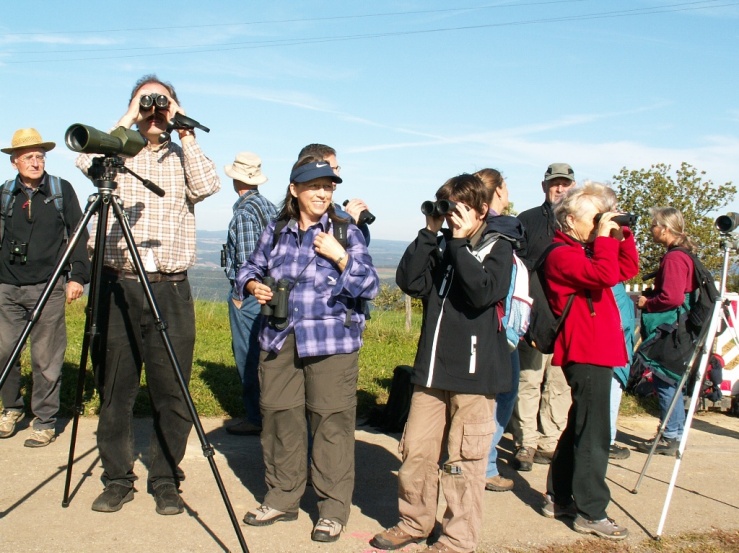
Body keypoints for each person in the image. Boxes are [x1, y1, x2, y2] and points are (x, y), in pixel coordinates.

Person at [75, 74, 220, 514]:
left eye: (163, 102)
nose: (154, 109)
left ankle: (165, 479)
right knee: (115, 387)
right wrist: (129, 117)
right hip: (118, 285)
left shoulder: (182, 156)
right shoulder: (115, 154)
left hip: (170, 289)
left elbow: (209, 184)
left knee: (171, 391)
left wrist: (184, 130)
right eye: (146, 102)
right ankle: (117, 477)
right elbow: (84, 160)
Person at [238, 157, 379, 543]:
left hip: (332, 342)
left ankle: (332, 509)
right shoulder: (277, 228)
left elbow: (370, 285)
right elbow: (248, 267)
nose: (322, 193)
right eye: (314, 185)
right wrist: (254, 287)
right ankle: (282, 497)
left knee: (331, 422)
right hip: (280, 337)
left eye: (329, 186)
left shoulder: (345, 230)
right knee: (279, 417)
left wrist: (340, 255)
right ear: (294, 189)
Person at [372, 173, 512, 553]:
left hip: (473, 375)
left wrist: (462, 244)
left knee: (463, 462)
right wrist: (430, 231)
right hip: (431, 372)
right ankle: (414, 522)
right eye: (447, 207)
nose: (452, 216)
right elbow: (410, 281)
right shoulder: (443, 243)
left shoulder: (499, 247)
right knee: (416, 451)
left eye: (459, 208)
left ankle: (456, 539)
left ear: (482, 209)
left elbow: (483, 291)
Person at [539, 181, 638, 541]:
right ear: (569, 219)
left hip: (598, 349)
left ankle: (559, 497)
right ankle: (591, 511)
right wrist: (605, 239)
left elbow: (625, 269)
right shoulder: (560, 254)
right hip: (585, 351)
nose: (599, 223)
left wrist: (621, 234)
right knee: (595, 434)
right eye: (594, 217)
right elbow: (604, 275)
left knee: (581, 425)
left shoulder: (586, 249)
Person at [0, 128, 89, 447]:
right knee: (3, 352)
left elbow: (79, 234)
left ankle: (45, 420)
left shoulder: (61, 190)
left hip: (49, 286)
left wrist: (78, 276)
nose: (35, 162)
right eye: (28, 157)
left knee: (46, 357)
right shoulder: (4, 193)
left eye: (40, 156)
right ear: (14, 162)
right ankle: (10, 409)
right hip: (6, 287)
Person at [510, 163, 576, 471]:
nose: (560, 189)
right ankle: (527, 442)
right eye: (555, 183)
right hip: (535, 315)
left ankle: (551, 442)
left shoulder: (581, 222)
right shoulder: (528, 220)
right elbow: (517, 267)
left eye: (565, 183)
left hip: (568, 318)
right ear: (544, 186)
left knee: (559, 384)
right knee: (529, 380)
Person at [474, 168, 523, 493]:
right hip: (500, 326)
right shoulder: (500, 228)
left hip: (494, 323)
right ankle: (485, 465)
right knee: (501, 394)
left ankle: (476, 460)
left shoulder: (477, 225)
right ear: (500, 192)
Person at [634, 207, 697, 456]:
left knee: (664, 378)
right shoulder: (685, 254)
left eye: (653, 225)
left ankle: (670, 435)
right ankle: (675, 433)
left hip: (671, 328)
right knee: (671, 379)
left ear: (665, 228)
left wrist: (647, 303)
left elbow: (671, 297)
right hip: (682, 327)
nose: (651, 230)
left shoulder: (674, 258)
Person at [223, 152, 277, 436]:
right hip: (272, 290)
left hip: (251, 295)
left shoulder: (244, 213)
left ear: (236, 180)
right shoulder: (268, 207)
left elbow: (246, 263)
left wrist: (239, 295)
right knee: (267, 353)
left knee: (247, 354)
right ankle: (271, 413)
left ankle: (255, 417)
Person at [297, 143, 372, 245]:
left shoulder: (337, 211)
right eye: (331, 169)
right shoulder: (285, 224)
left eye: (337, 168)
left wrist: (356, 225)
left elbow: (361, 250)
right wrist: (348, 223)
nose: (337, 174)